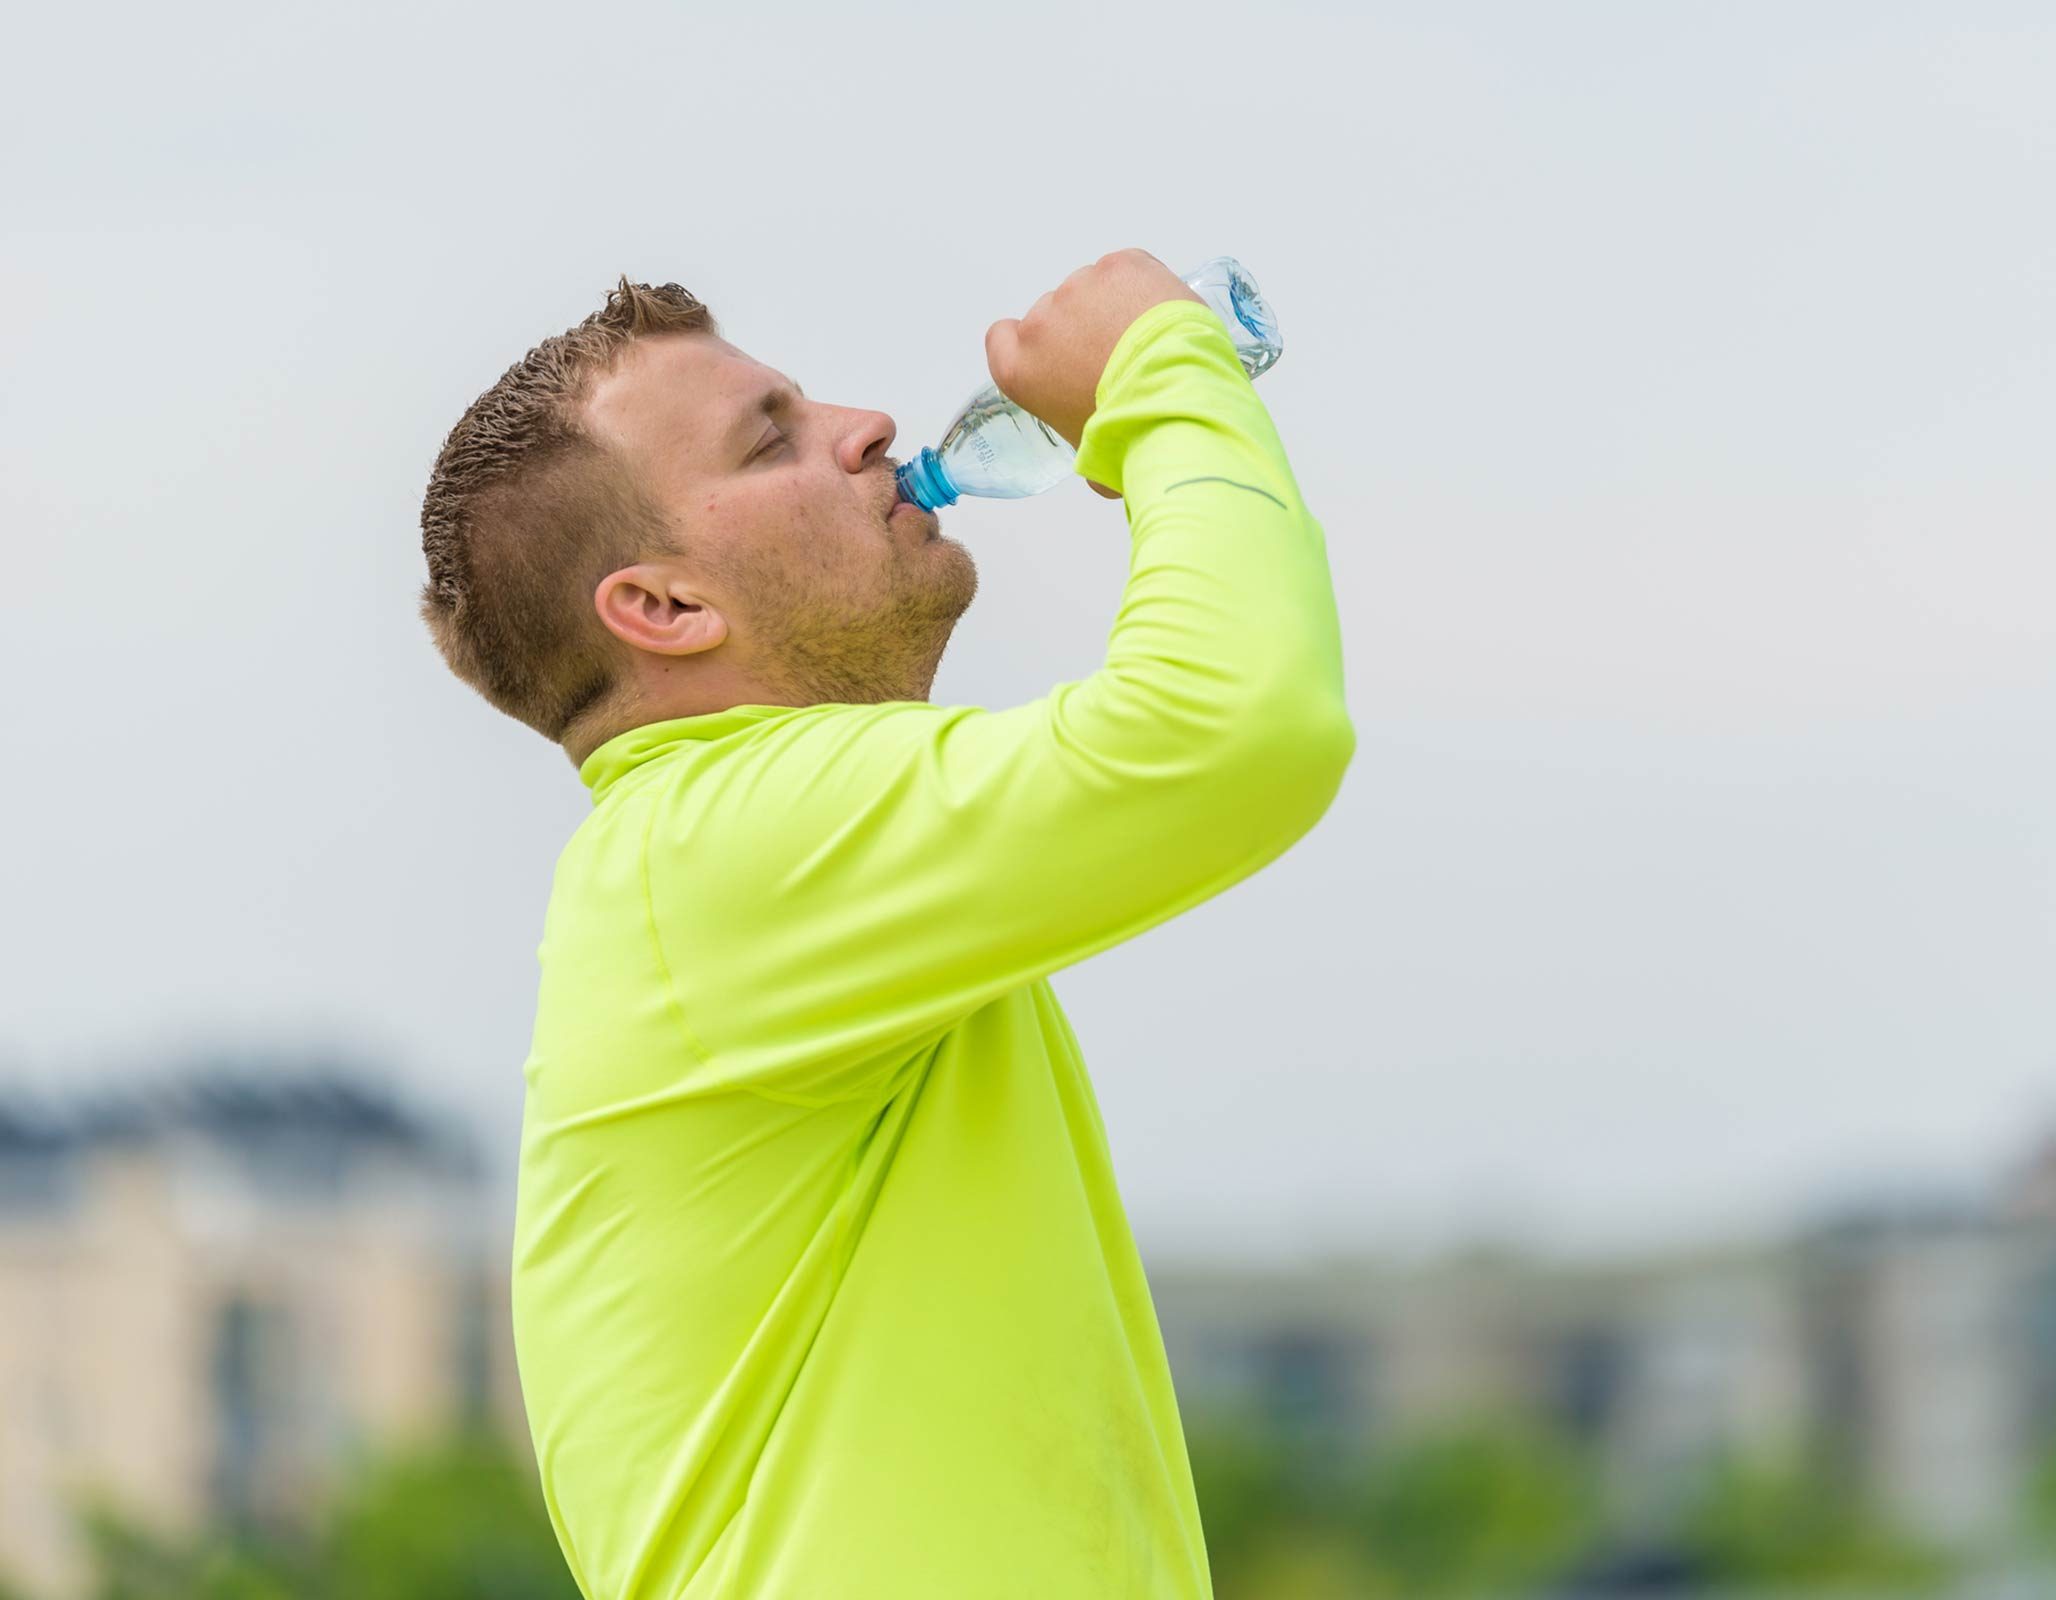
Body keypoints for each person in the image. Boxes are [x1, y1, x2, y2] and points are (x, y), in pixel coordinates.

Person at [416, 247, 1354, 1598]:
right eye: (770, 439)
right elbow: (1238, 726)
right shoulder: (719, 849)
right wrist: (1161, 369)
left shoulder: (756, 864)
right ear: (665, 607)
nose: (868, 430)